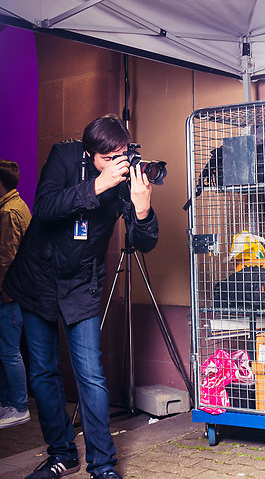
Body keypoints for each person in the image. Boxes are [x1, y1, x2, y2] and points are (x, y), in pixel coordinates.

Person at [3, 114, 158, 479]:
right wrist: (97, 186)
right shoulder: (64, 155)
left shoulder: (126, 178)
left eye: (122, 155)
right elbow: (45, 207)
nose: (117, 164)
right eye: (108, 158)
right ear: (89, 153)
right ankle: (62, 454)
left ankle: (102, 466)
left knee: (91, 376)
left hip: (81, 285)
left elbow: (144, 243)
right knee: (43, 373)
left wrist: (142, 209)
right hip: (38, 279)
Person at [0, 160, 32, 429]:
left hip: (9, 294)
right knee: (7, 351)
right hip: (17, 291)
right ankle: (9, 404)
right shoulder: (18, 205)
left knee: (9, 352)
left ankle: (19, 406)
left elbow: (5, 260)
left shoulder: (8, 212)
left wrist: (3, 291)